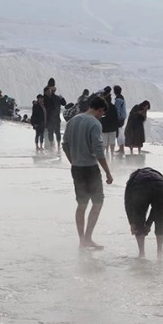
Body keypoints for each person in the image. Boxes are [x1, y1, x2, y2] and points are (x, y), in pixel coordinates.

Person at [61, 96, 114, 249]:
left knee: (81, 204)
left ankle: (81, 240)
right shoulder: (95, 124)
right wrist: (108, 173)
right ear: (100, 109)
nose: (101, 116)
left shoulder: (73, 121)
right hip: (90, 169)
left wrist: (73, 161)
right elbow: (98, 151)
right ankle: (88, 237)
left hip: (76, 168)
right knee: (97, 202)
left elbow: (65, 145)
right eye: (102, 113)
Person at [125, 167, 163, 260]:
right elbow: (156, 209)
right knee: (160, 219)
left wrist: (132, 222)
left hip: (140, 187)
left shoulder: (132, 181)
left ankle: (141, 253)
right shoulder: (161, 177)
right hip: (161, 187)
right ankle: (160, 251)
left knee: (139, 219)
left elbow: (128, 202)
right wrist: (149, 224)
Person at [113, 85, 127, 154]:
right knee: (120, 133)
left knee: (119, 134)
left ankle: (121, 149)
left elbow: (117, 110)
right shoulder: (122, 98)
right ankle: (121, 148)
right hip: (122, 118)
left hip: (119, 119)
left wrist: (116, 119)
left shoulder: (118, 100)